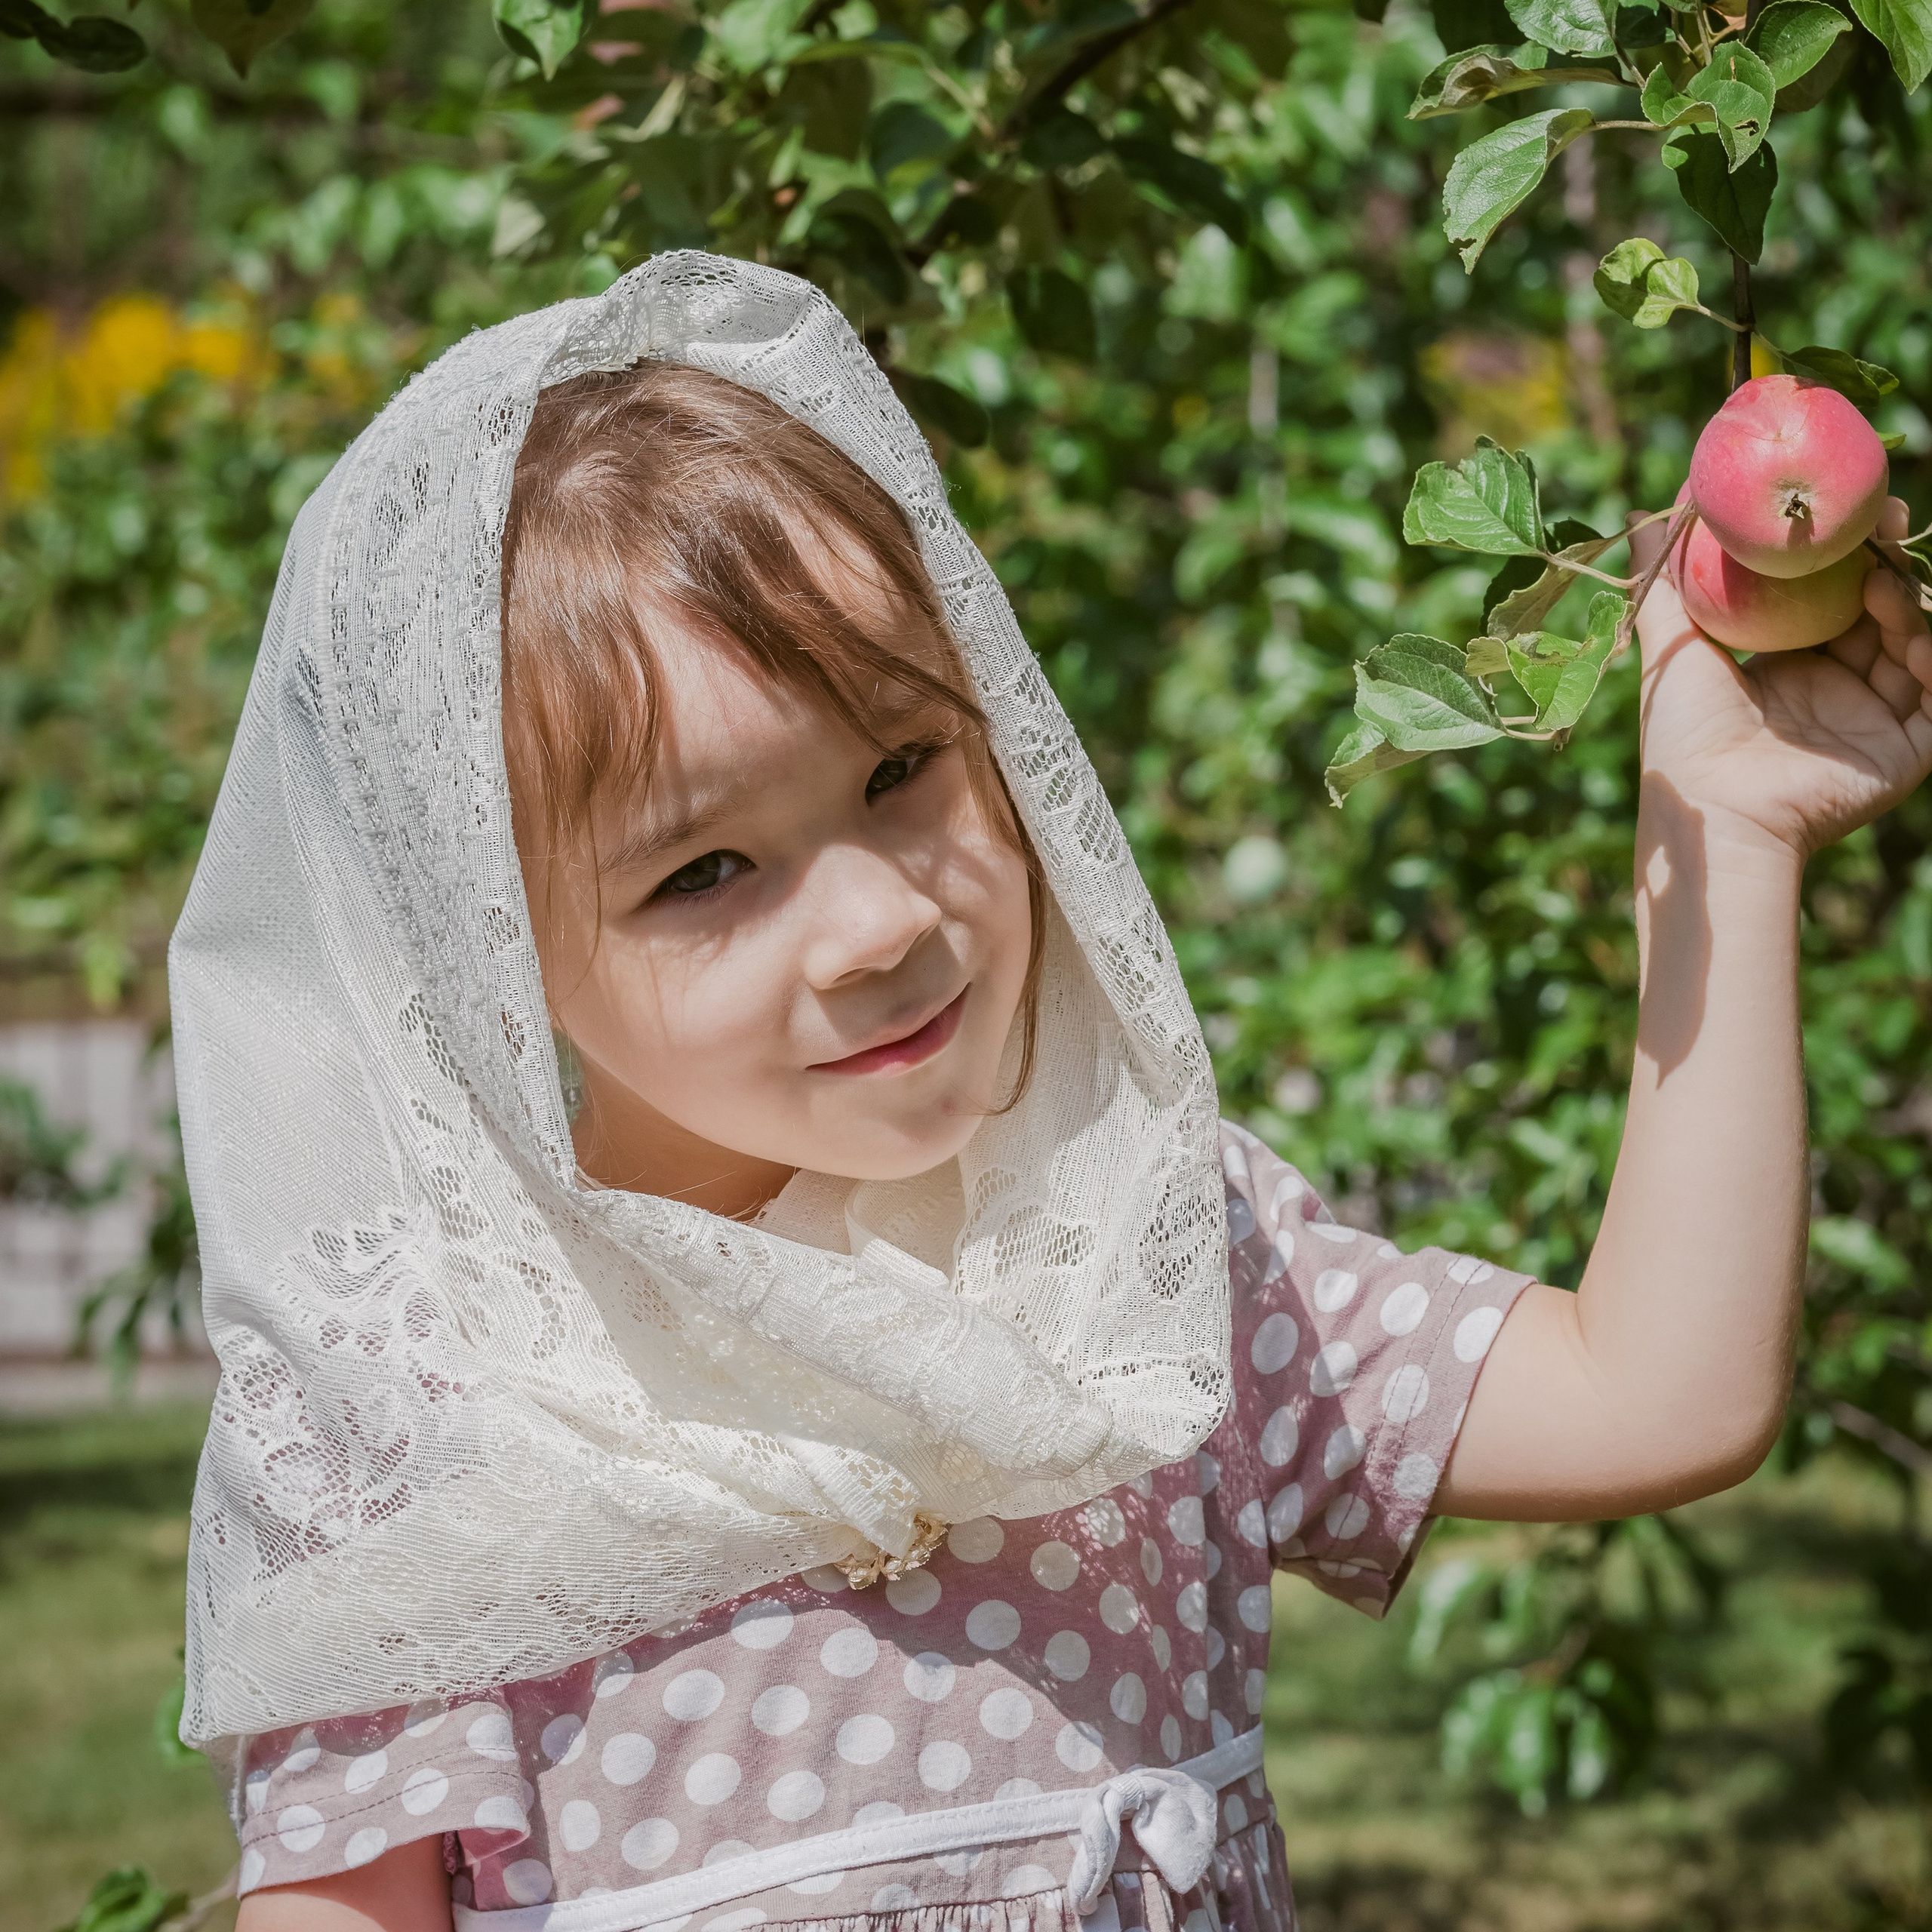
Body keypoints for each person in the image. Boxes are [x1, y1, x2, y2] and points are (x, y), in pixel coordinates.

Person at [167, 256, 1932, 1932]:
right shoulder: (429, 1406)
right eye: (702, 869)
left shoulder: (1121, 1237)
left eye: (900, 765)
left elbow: (1660, 1391)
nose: (876, 918)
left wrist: (1723, 831)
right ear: (484, 942)